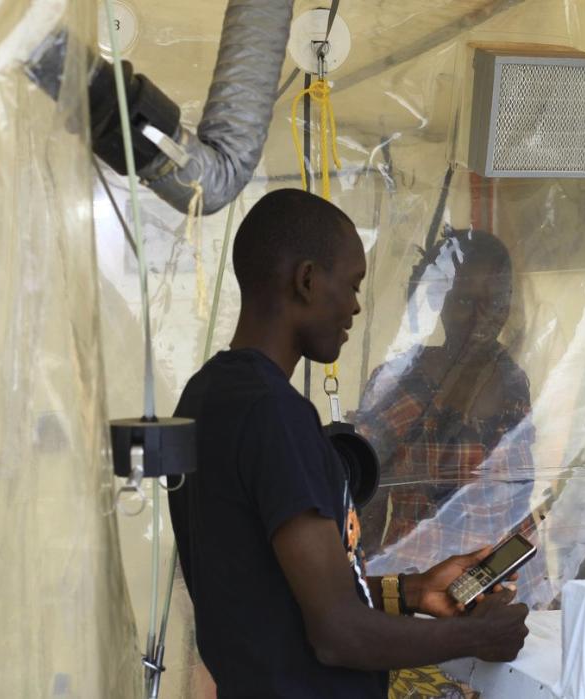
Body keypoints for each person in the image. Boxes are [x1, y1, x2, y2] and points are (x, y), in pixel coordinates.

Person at [168, 190, 528, 698]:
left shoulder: (205, 395)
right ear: (308, 280)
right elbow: (337, 634)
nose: (356, 306)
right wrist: (475, 635)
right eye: (352, 285)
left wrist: (414, 590)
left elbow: (276, 595)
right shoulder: (275, 415)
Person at [353, 229, 545, 604]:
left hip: (509, 579)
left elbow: (518, 499)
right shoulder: (403, 382)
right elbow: (369, 498)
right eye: (463, 301)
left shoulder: (513, 381)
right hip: (423, 582)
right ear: (439, 301)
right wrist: (368, 593)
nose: (480, 318)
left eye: (494, 303)